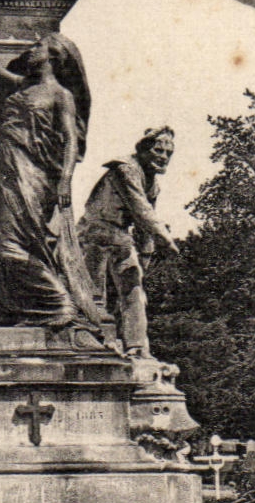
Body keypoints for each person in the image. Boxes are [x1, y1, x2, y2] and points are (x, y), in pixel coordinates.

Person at [0, 7, 103, 330]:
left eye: (38, 47)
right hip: (6, 170)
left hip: (34, 177)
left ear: (54, 56)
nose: (31, 50)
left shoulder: (60, 94)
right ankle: (31, 310)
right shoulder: (20, 85)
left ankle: (60, 304)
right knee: (2, 246)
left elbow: (69, 141)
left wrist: (65, 179)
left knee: (11, 248)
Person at [77, 128, 179, 356]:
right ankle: (97, 342)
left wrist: (145, 255)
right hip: (95, 233)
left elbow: (145, 226)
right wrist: (165, 238)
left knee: (134, 288)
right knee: (95, 294)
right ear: (143, 149)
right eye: (158, 150)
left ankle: (137, 346)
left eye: (168, 153)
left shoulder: (152, 183)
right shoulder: (125, 169)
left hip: (121, 237)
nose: (163, 157)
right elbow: (141, 210)